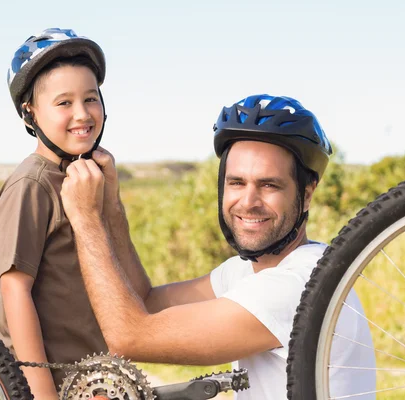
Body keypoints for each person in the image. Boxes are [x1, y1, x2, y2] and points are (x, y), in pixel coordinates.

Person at [60, 94, 376, 399]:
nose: (248, 202)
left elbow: (129, 337)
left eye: (269, 185)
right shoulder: (247, 271)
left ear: (307, 193)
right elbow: (148, 302)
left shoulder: (297, 285)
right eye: (236, 183)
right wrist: (112, 206)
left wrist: (86, 218)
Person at [0, 28, 149, 399]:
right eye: (64, 103)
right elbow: (15, 291)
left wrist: (110, 202)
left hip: (94, 381)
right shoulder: (31, 185)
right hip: (51, 384)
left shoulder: (86, 178)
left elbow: (127, 282)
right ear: (30, 111)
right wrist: (41, 392)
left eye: (90, 98)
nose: (82, 114)